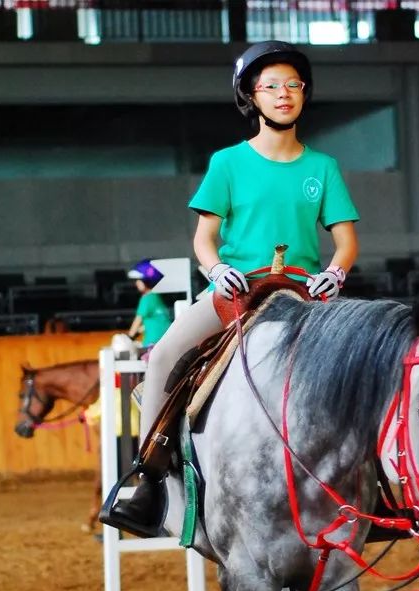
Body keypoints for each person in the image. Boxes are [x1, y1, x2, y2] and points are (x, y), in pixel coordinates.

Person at [100, 41, 360, 538]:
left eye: (293, 85)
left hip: (306, 294)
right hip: (238, 288)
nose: (284, 95)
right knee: (161, 356)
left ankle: (373, 478)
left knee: (367, 358)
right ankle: (148, 476)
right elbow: (204, 238)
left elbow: (345, 241)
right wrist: (217, 269)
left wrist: (337, 272)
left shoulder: (323, 167)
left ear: (304, 94)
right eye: (271, 87)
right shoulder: (227, 163)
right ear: (252, 97)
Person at [125, 258, 172, 349]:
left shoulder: (147, 299)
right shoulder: (157, 297)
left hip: (152, 342)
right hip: (165, 341)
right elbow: (155, 320)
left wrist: (129, 337)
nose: (136, 283)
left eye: (139, 280)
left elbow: (138, 320)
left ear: (146, 281)